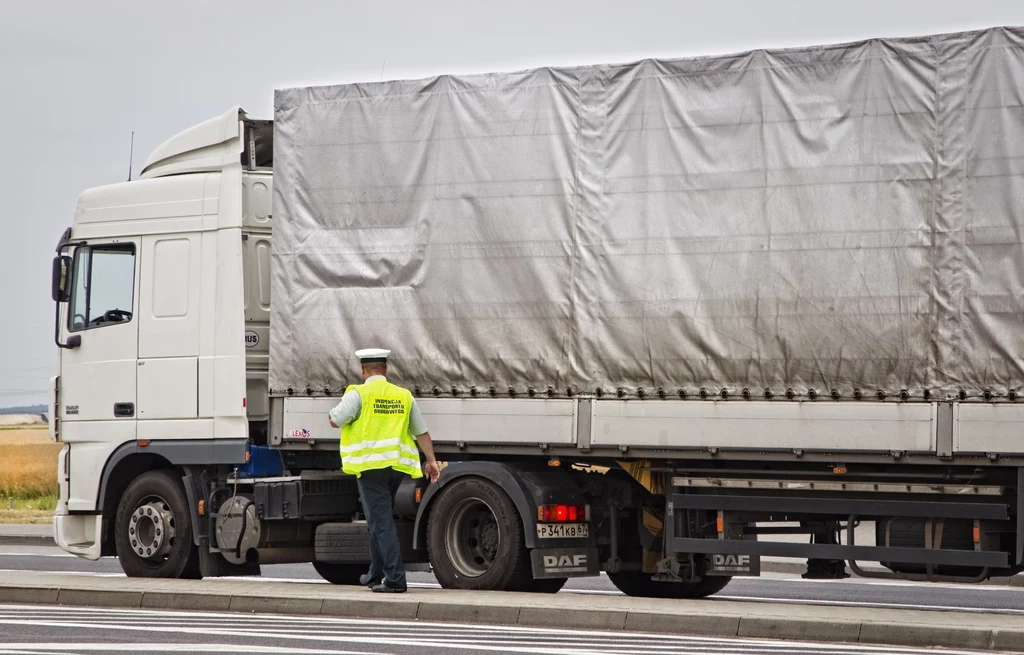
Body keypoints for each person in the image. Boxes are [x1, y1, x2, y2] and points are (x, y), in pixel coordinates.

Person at [328, 348, 441, 593]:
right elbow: (421, 431)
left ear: (363, 370)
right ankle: (374, 574)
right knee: (377, 521)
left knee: (381, 523)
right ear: (386, 369)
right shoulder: (403, 396)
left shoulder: (358, 393)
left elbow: (336, 419)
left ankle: (395, 579)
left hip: (370, 468)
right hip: (396, 468)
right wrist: (431, 460)